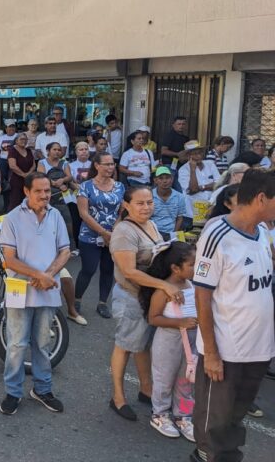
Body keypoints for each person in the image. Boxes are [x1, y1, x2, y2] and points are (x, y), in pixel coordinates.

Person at [191, 169, 275, 462]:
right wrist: (211, 353)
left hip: (259, 348)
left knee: (235, 417)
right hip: (227, 350)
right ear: (262, 198)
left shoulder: (262, 232)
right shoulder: (217, 235)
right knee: (214, 422)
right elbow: (202, 296)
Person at [108, 186, 185, 422]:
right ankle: (118, 397)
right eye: (140, 203)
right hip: (130, 297)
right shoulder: (124, 231)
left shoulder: (150, 224)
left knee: (142, 344)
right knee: (125, 346)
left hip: (147, 297)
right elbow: (129, 271)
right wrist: (164, 286)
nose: (146, 207)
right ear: (126, 205)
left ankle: (146, 389)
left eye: (149, 202)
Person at [0, 172, 71, 415]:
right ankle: (13, 392)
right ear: (26, 191)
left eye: (47, 190)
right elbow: (10, 260)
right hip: (20, 289)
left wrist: (48, 275)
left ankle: (42, 389)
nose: (44, 195)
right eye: (38, 191)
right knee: (17, 344)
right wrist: (39, 275)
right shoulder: (12, 218)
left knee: (43, 343)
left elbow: (65, 251)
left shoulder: (55, 215)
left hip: (48, 289)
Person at [138, 241, 198, 442]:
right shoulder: (163, 291)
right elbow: (153, 318)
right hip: (168, 342)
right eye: (192, 265)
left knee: (186, 381)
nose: (196, 268)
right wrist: (180, 322)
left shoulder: (191, 285)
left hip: (191, 342)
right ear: (175, 268)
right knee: (164, 378)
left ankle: (184, 415)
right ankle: (160, 414)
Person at [74, 152, 124, 321]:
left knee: (108, 270)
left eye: (112, 164)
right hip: (89, 235)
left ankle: (102, 303)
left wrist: (114, 231)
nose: (111, 167)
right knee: (88, 269)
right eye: (107, 164)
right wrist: (103, 232)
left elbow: (122, 211)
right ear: (97, 165)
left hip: (112, 236)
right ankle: (76, 300)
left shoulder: (119, 186)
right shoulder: (86, 186)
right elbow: (83, 213)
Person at [178, 142, 221, 223]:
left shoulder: (210, 164)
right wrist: (193, 170)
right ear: (188, 156)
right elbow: (193, 190)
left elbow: (219, 184)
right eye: (194, 154)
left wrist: (201, 187)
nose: (198, 156)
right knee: (195, 229)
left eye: (200, 153)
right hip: (193, 211)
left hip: (211, 208)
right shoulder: (183, 170)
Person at [151, 167, 188, 236]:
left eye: (167, 178)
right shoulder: (149, 195)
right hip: (153, 232)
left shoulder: (179, 196)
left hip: (172, 232)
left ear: (172, 179)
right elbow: (147, 218)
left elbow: (180, 218)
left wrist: (173, 234)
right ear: (155, 180)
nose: (165, 181)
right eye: (161, 178)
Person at [7, 133, 35, 212]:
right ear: (16, 141)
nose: (24, 141)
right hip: (16, 180)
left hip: (28, 180)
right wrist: (24, 175)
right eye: (22, 139)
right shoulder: (12, 150)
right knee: (15, 202)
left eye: (25, 139)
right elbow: (12, 166)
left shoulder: (29, 150)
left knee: (28, 202)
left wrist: (28, 174)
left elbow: (33, 165)